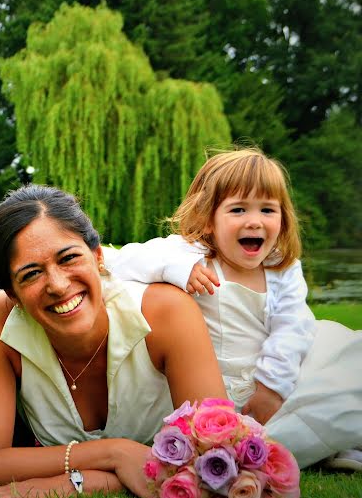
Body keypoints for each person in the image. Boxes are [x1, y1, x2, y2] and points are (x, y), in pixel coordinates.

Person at [0, 185, 227, 498]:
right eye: (31, 274)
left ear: (98, 256)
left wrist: (82, 478)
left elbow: (217, 459)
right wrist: (114, 456)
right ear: (13, 295)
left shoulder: (166, 312)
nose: (58, 285)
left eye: (69, 258)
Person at [109, 147, 362, 470]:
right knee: (245, 429)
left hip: (271, 375)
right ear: (208, 219)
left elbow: (291, 329)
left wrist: (272, 386)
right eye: (238, 210)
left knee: (349, 362)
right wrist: (175, 270)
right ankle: (289, 447)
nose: (254, 221)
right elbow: (124, 260)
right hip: (209, 385)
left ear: (283, 219)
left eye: (268, 210)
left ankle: (334, 440)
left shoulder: (282, 270)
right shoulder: (189, 254)